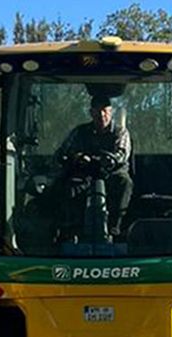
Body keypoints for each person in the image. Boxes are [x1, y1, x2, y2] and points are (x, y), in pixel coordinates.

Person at [54, 95, 133, 237]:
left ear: (111, 112)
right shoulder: (79, 132)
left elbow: (122, 153)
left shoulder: (121, 132)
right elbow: (63, 152)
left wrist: (110, 160)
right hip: (85, 175)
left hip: (111, 174)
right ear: (91, 113)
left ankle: (115, 228)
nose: (101, 115)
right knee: (69, 186)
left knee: (124, 182)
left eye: (104, 111)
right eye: (97, 111)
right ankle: (72, 230)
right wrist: (77, 156)